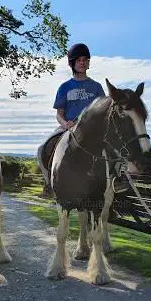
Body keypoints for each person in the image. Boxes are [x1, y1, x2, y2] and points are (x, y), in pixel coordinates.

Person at [38, 43, 105, 197]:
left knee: (113, 146)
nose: (83, 62)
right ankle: (49, 182)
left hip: (92, 131)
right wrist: (65, 123)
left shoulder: (96, 87)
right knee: (43, 148)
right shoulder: (65, 87)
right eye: (79, 60)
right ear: (72, 63)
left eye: (86, 60)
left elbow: (102, 112)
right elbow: (59, 114)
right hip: (68, 127)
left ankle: (117, 180)